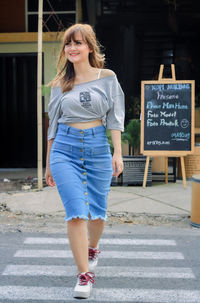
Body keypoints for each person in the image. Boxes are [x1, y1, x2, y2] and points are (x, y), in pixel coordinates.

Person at [45, 23, 125, 299]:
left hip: (97, 148)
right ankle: (84, 274)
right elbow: (52, 126)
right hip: (64, 149)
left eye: (78, 43)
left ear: (89, 47)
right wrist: (48, 164)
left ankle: (92, 247)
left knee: (98, 212)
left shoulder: (107, 77)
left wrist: (117, 152)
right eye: (68, 44)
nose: (72, 48)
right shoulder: (59, 83)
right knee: (76, 212)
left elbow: (115, 117)